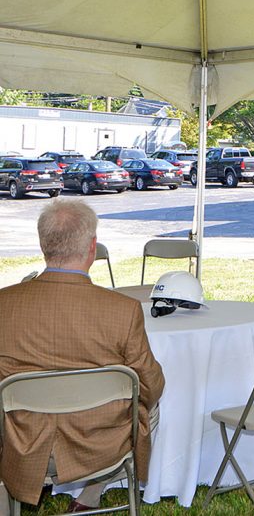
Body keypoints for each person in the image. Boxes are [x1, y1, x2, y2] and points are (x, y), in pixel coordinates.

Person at [0, 200, 165, 513]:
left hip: (18, 442)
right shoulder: (123, 310)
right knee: (151, 407)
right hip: (99, 445)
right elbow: (151, 387)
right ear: (92, 248)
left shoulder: (3, 303)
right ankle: (89, 496)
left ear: (42, 245)